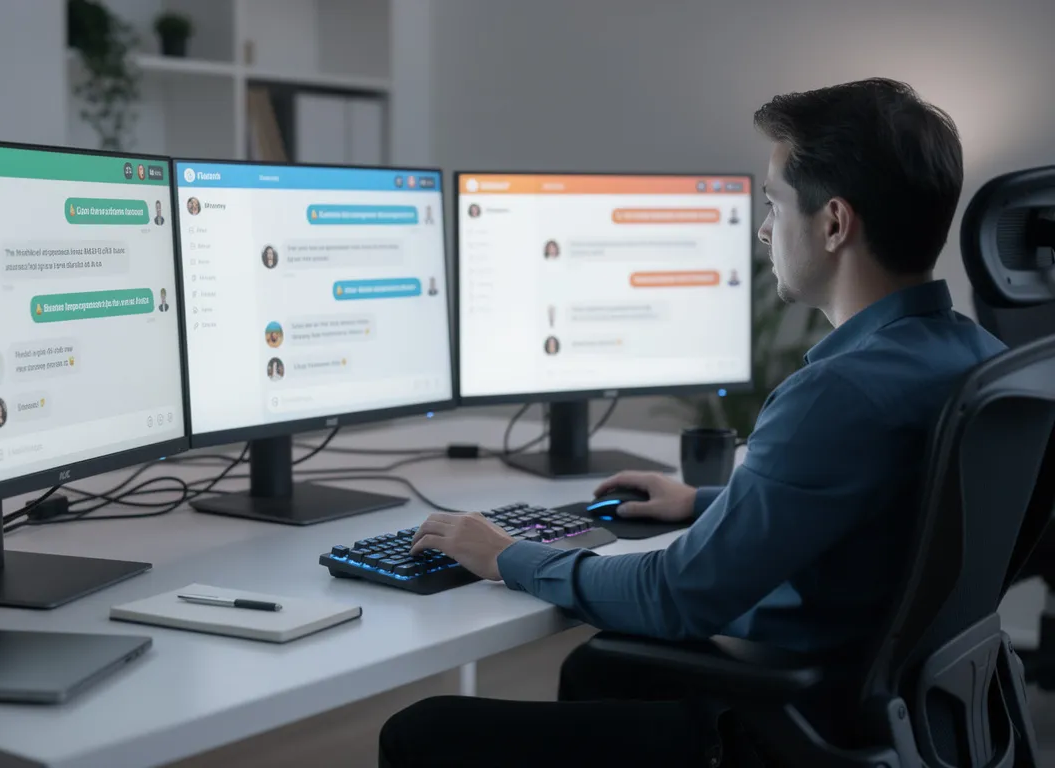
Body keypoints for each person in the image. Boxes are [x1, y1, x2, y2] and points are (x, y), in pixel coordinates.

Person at [379, 78, 1005, 767]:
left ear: (833, 223)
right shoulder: (981, 360)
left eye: (773, 205)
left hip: (789, 732)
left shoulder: (836, 394)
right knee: (603, 669)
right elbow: (893, 511)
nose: (765, 230)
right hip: (907, 717)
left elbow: (676, 596)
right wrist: (705, 502)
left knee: (422, 730)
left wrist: (507, 555)